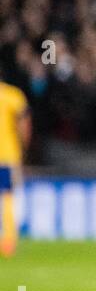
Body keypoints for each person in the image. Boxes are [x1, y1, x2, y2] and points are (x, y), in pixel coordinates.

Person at [0, 78, 31, 258]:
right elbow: (24, 125)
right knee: (8, 197)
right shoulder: (13, 95)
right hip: (7, 156)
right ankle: (9, 240)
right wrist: (24, 150)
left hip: (7, 156)